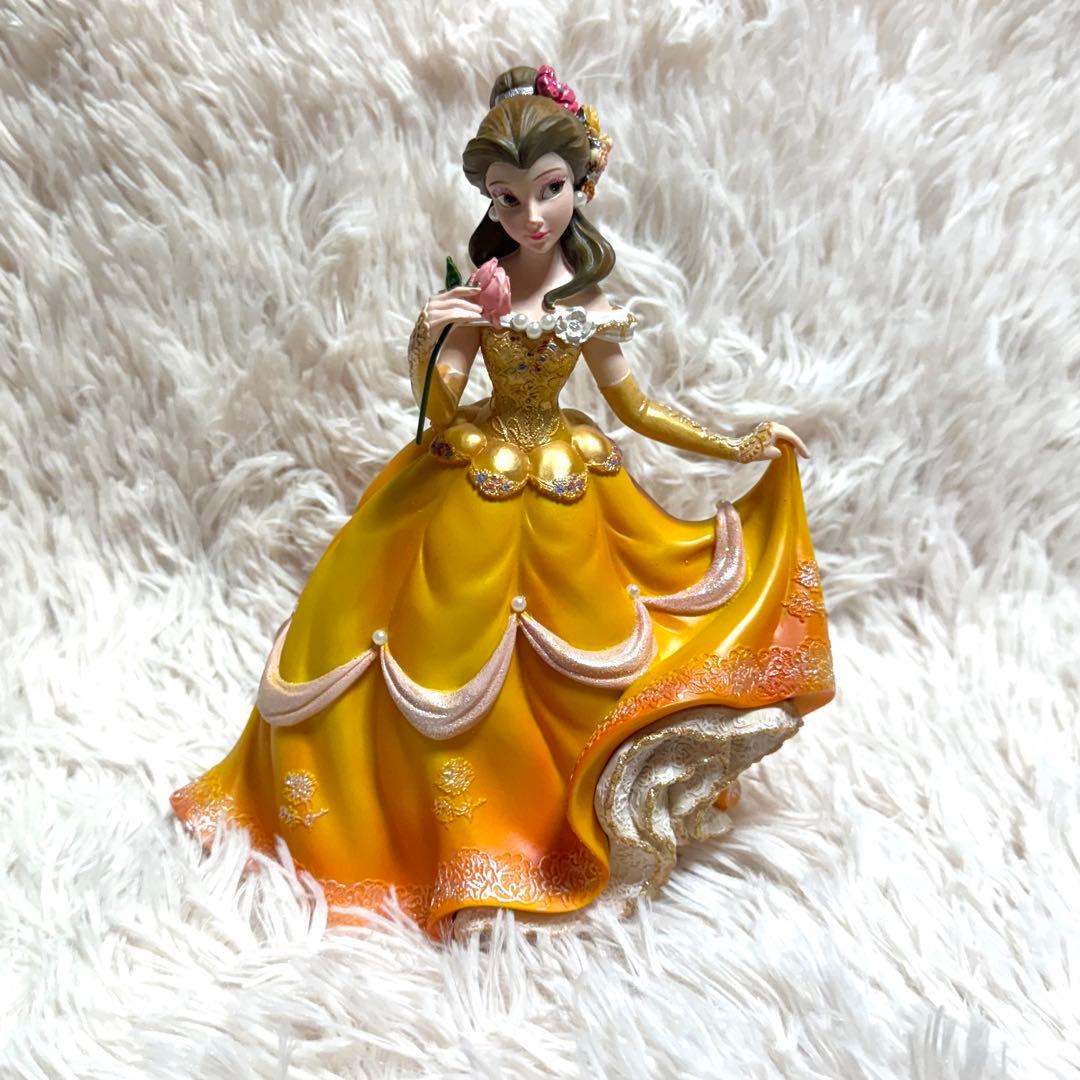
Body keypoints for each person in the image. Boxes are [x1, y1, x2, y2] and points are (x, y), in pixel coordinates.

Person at [171, 64, 834, 938]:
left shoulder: (584, 302)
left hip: (563, 484)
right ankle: (443, 835)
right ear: (491, 199)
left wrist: (738, 445)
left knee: (593, 645)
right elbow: (440, 411)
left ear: (580, 185)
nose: (531, 216)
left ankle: (574, 815)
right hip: (472, 476)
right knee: (433, 646)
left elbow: (636, 408)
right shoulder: (481, 288)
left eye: (549, 191)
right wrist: (433, 337)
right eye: (509, 197)